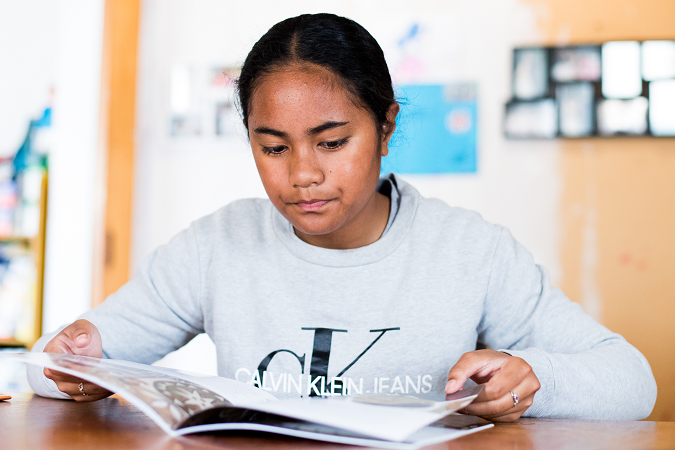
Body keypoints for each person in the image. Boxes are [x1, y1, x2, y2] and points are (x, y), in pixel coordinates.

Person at [28, 13, 656, 422]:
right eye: (273, 147)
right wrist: (69, 369)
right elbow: (50, 363)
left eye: (331, 142)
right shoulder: (216, 245)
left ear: (385, 127)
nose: (302, 174)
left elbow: (632, 384)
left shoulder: (472, 251)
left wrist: (533, 377)